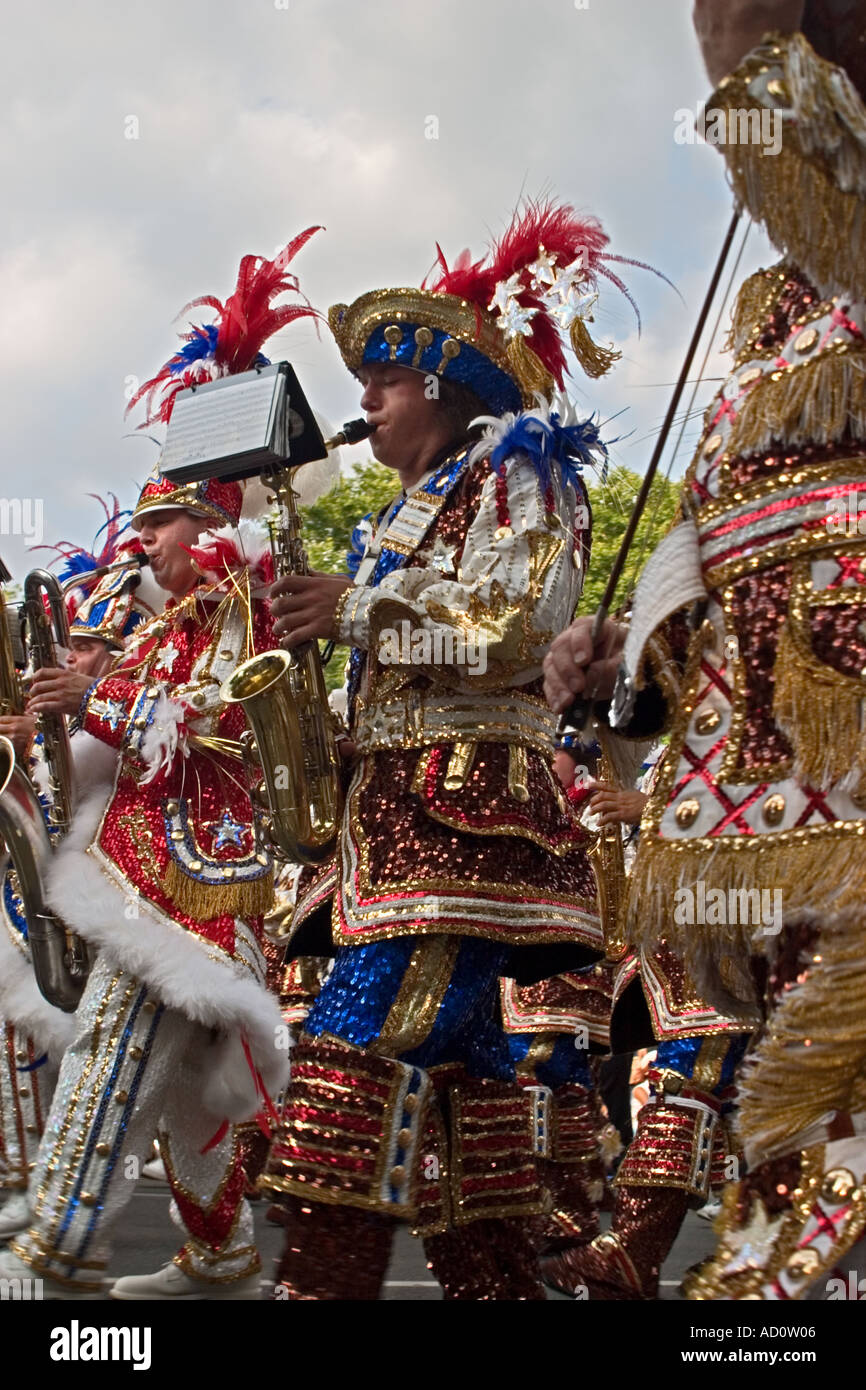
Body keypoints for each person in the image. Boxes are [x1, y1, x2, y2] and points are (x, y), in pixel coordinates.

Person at [258, 197, 660, 1299]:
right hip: (391, 821)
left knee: (353, 1050)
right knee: (472, 1089)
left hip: (463, 819)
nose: (366, 407)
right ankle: (508, 1289)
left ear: (442, 385)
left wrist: (354, 608)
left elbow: (515, 630)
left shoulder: (518, 468)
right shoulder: (408, 506)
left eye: (381, 384)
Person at [544, 1, 866, 1299]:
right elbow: (732, 530)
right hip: (762, 802)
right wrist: (628, 661)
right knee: (780, 1147)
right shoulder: (771, 307)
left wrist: (754, 68)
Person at [0, 235, 323, 1299]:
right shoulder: (162, 620)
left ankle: (53, 1248)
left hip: (189, 880)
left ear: (213, 518)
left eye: (163, 519)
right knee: (189, 1091)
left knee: (108, 1053)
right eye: (141, 522)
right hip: (148, 869)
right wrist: (49, 719)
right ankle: (221, 1258)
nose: (143, 541)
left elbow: (217, 722)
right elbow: (115, 732)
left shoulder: (240, 601)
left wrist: (88, 696)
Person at [0, 506, 161, 1243]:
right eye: (79, 643)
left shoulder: (131, 686)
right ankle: (34, 1188)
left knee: (90, 1045)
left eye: (94, 644)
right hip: (42, 877)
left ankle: (57, 1213)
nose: (78, 656)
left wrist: (49, 733)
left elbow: (123, 775)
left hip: (119, 883)